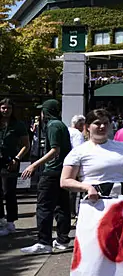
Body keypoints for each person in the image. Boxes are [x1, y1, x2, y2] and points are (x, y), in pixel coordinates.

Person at [61, 109, 123, 276]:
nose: (102, 127)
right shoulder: (79, 151)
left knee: (114, 250)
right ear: (87, 127)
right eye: (97, 123)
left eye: (106, 122)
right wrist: (86, 187)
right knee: (95, 252)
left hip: (121, 204)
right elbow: (65, 181)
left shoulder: (121, 147)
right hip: (95, 207)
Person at [20, 99, 72, 254]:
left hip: (51, 171)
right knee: (62, 206)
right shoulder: (60, 125)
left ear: (45, 112)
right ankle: (62, 239)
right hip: (62, 171)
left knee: (44, 207)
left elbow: (54, 150)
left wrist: (34, 165)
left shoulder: (53, 126)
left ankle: (44, 242)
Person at [0, 98, 30, 237]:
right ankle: (1, 220)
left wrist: (17, 158)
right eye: (3, 108)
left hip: (10, 161)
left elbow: (26, 144)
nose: (6, 110)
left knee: (9, 191)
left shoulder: (18, 125)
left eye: (8, 108)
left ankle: (11, 221)